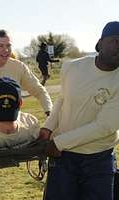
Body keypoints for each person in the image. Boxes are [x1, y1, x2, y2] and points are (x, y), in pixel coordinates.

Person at [40, 21, 119, 200]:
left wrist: (58, 143)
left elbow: (104, 127)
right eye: (116, 41)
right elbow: (63, 99)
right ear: (100, 44)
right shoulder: (72, 67)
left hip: (98, 159)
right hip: (63, 159)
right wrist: (48, 127)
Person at [0, 29, 53, 200]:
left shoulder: (18, 67)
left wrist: (50, 114)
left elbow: (39, 90)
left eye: (8, 46)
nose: (5, 50)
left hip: (7, 122)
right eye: (0, 46)